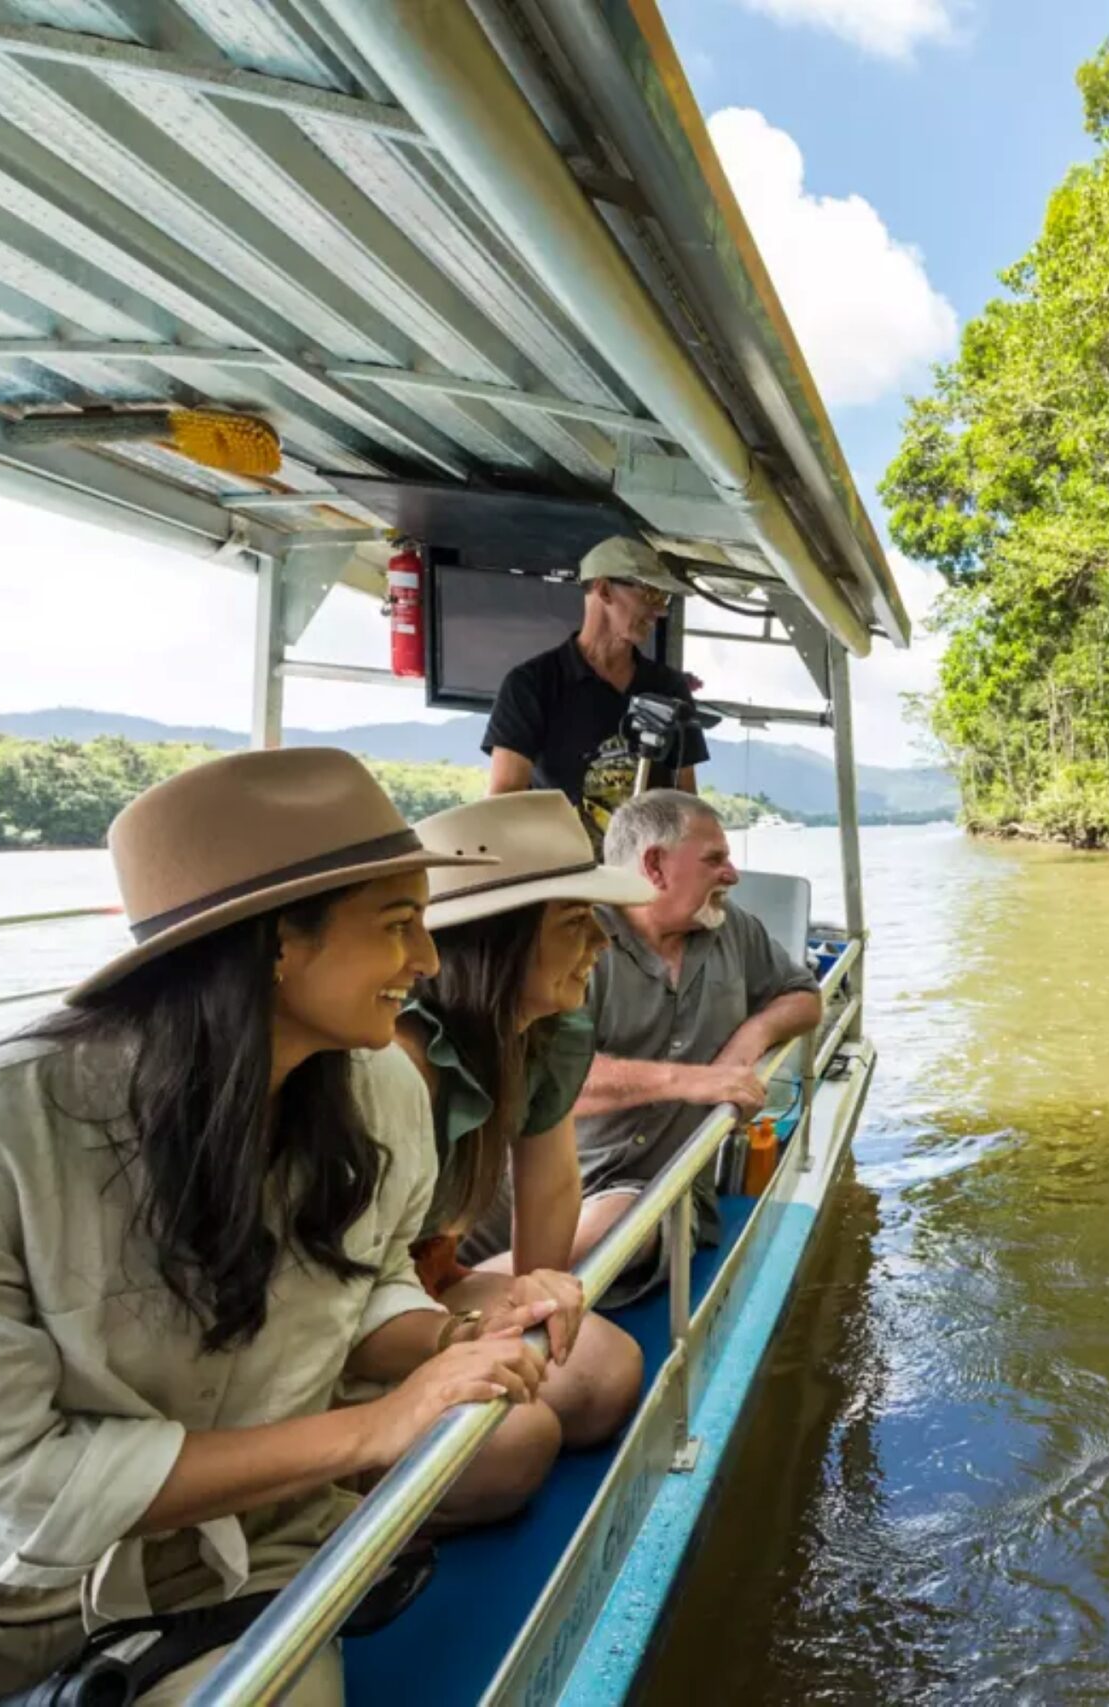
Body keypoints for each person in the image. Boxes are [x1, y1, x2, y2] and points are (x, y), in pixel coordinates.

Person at [0, 749, 566, 1707]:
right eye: (399, 924)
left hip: (234, 1556)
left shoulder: (381, 1097)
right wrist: (373, 1427)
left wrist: (453, 1340)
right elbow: (5, 1487)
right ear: (279, 942)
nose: (429, 960)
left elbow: (365, 1288)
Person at [391, 792, 651, 1480]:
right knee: (516, 1443)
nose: (602, 940)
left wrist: (540, 1298)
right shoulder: (399, 1061)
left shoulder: (542, 1031)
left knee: (602, 1376)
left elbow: (553, 1177)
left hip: (432, 1278)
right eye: (575, 920)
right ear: (497, 941)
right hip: (358, 1318)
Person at [564, 791, 822, 1299]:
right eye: (714, 860)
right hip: (561, 1184)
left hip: (670, 1194)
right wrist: (694, 1081)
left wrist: (749, 1038)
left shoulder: (733, 929)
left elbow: (804, 997)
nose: (732, 874)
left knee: (624, 1215)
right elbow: (549, 1083)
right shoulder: (575, 942)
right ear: (655, 867)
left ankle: (491, 1293)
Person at [483, 535, 710, 846]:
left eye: (664, 598)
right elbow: (504, 803)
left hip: (644, 881)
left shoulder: (669, 688)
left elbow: (686, 801)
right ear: (604, 589)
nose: (660, 611)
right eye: (651, 593)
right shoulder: (531, 684)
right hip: (563, 877)